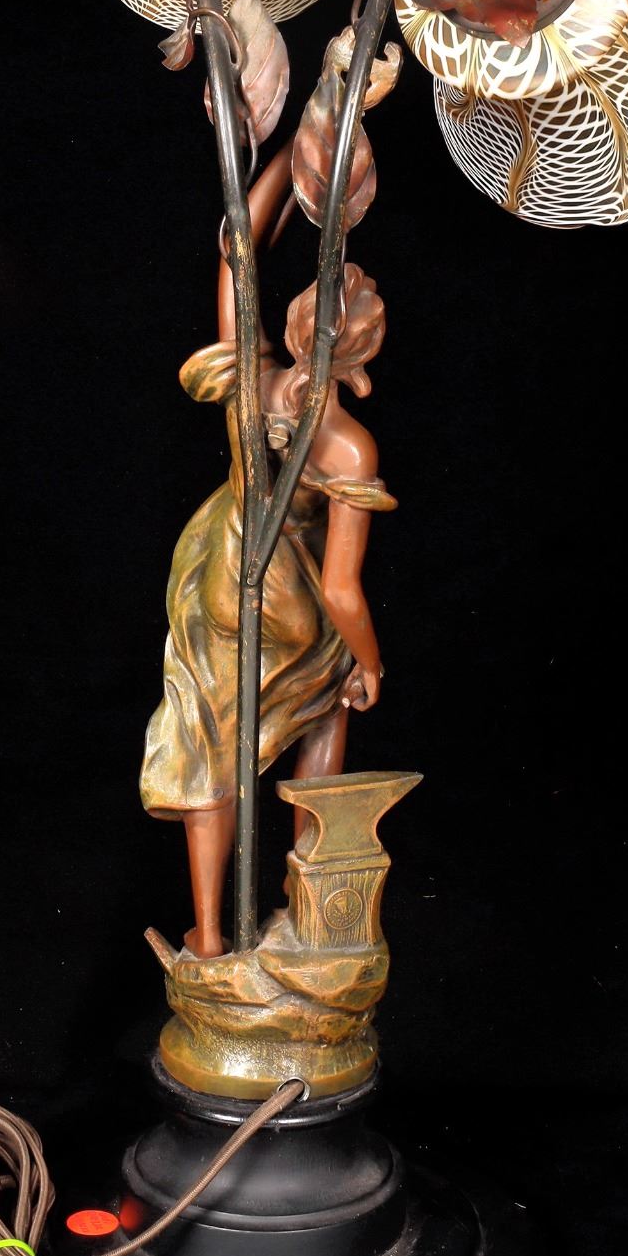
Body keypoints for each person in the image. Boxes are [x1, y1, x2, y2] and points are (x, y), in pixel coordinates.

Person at [140, 142, 395, 957]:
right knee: (327, 700)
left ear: (292, 326)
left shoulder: (253, 380)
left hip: (220, 572)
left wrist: (291, 156)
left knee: (209, 743)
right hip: (292, 598)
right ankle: (310, 910)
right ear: (361, 358)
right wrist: (369, 663)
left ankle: (211, 936)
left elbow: (236, 254)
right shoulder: (348, 446)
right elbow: (342, 591)